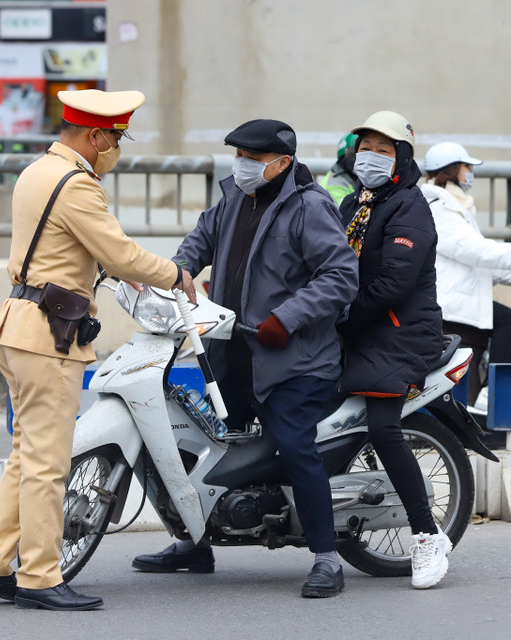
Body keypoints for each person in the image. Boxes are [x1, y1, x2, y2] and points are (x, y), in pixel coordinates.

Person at [0, 89, 196, 612]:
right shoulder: (78, 185)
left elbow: (69, 249)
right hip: (50, 336)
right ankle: (41, 577)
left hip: (20, 325)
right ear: (94, 135)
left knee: (27, 456)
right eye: (115, 137)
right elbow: (120, 252)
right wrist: (175, 274)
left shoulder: (37, 171)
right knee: (49, 464)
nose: (116, 147)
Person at [131, 119, 359, 598]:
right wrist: (180, 271)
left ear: (282, 163)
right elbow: (202, 239)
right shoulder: (234, 197)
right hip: (231, 349)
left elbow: (340, 276)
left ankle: (326, 558)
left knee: (295, 446)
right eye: (239, 157)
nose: (243, 166)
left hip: (293, 357)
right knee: (207, 446)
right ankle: (195, 543)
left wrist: (287, 317)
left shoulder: (310, 207)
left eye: (253, 160)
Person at [336, 111, 450, 589]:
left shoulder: (409, 208)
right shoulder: (351, 205)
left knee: (383, 427)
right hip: (356, 329)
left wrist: (339, 317)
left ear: (401, 158)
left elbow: (393, 284)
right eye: (366, 148)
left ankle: (426, 534)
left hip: (398, 334)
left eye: (383, 151)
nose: (371, 157)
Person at [420, 141, 511, 407]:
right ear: (452, 169)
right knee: (508, 321)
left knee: (506, 321)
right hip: (448, 302)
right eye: (466, 166)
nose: (469, 172)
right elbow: (477, 251)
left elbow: (473, 261)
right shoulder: (440, 208)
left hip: (456, 292)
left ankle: (494, 392)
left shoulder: (452, 204)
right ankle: (496, 396)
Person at [318, 132, 358, 206]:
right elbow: (348, 214)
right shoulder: (335, 185)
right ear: (343, 158)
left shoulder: (353, 179)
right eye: (355, 155)